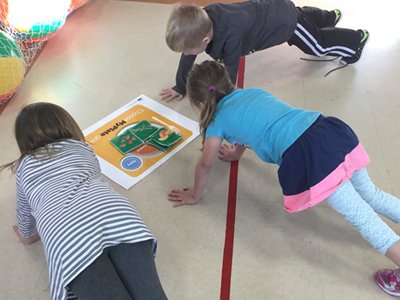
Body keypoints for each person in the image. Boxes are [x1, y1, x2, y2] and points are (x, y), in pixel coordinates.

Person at [167, 60, 400, 297]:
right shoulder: (252, 93)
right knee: (372, 194)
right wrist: (236, 152)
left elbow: (206, 163)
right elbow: (254, 127)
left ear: (199, 103)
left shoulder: (217, 121)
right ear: (227, 82)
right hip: (327, 132)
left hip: (313, 159)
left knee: (364, 219)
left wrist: (195, 195)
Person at [1, 102, 168, 300]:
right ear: (67, 125)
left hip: (68, 236)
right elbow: (94, 175)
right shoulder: (82, 148)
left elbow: (24, 212)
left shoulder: (23, 168)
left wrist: (27, 235)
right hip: (117, 215)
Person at [160, 1, 369, 102]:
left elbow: (230, 74)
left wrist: (220, 100)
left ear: (205, 39)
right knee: (303, 16)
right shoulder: (202, 21)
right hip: (272, 8)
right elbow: (189, 54)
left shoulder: (230, 36)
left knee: (317, 45)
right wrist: (180, 86)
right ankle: (329, 16)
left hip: (285, 23)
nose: (188, 55)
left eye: (189, 51)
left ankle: (355, 39)